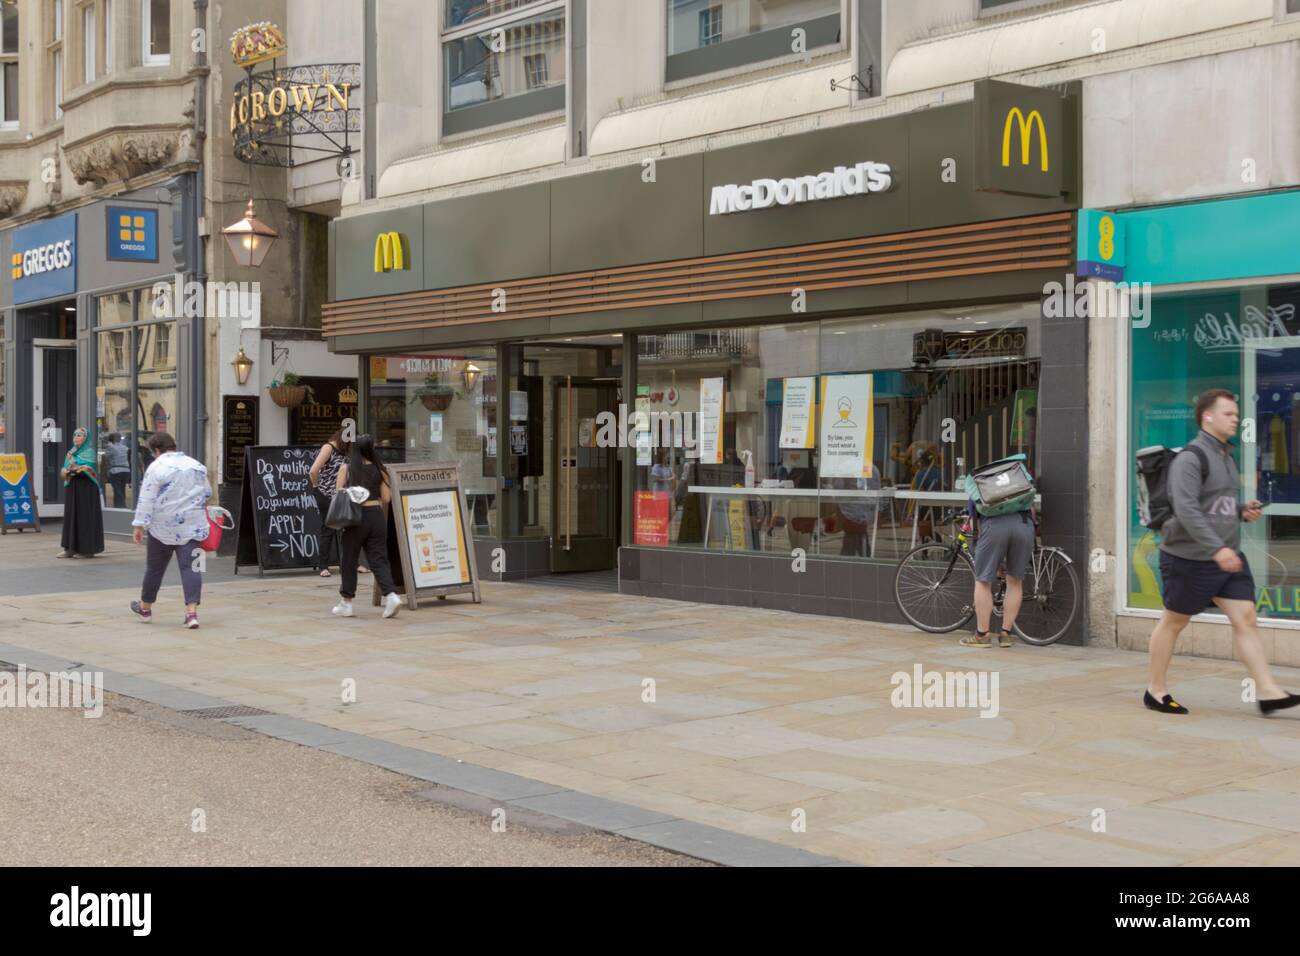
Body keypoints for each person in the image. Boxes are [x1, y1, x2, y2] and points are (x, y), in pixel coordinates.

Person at [1145, 389, 1300, 716]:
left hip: (1226, 556)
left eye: (1235, 413)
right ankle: (1155, 690)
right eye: (1228, 414)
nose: (1235, 419)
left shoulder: (1225, 456)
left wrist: (1242, 511)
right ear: (1208, 417)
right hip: (1190, 558)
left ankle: (1268, 691)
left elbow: (1216, 505)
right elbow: (1187, 511)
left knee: (1246, 618)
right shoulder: (1191, 458)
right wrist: (1216, 548)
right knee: (1174, 621)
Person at [129, 433, 211, 629]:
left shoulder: (157, 467)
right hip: (192, 526)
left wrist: (139, 524)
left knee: (154, 569)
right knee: (192, 568)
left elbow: (146, 498)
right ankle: (191, 614)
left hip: (162, 528)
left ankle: (146, 608)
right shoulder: (197, 465)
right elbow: (207, 492)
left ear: (157, 450)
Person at [333, 434, 402, 619]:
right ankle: (391, 595)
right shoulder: (381, 469)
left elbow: (339, 494)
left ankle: (346, 602)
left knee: (349, 560)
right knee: (379, 559)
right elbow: (387, 499)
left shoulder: (346, 469)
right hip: (376, 516)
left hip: (355, 518)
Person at [959, 485, 1035, 650]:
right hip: (1024, 526)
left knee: (983, 581)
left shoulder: (978, 488)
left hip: (994, 527)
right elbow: (1032, 511)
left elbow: (973, 524)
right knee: (1015, 580)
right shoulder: (1018, 485)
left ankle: (982, 635)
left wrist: (991, 558)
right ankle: (1005, 634)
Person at [309, 428, 352, 578]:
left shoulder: (342, 451)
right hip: (326, 494)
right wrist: (316, 488)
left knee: (347, 528)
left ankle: (347, 563)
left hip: (340, 495)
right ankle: (323, 566)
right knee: (328, 529)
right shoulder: (329, 448)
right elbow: (313, 470)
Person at [58, 427, 105, 558]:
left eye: (79, 435)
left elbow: (89, 468)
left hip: (86, 489)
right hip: (73, 488)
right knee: (71, 517)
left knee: (85, 518)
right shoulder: (71, 453)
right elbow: (64, 468)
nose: (76, 438)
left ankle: (87, 550)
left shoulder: (89, 452)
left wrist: (74, 469)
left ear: (86, 438)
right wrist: (65, 471)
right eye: (75, 435)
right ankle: (70, 549)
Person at [102, 432, 131, 507]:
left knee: (117, 490)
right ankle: (120, 505)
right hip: (126, 470)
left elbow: (105, 458)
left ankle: (120, 506)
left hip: (116, 471)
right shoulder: (125, 448)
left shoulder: (111, 447)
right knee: (122, 489)